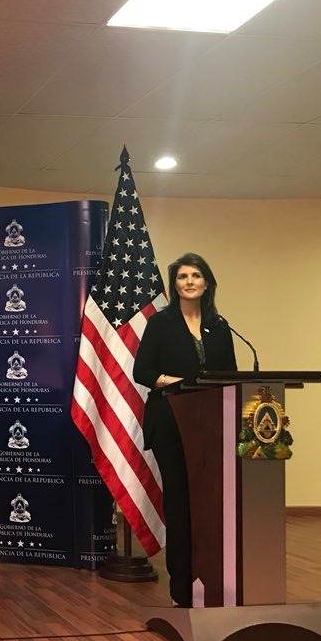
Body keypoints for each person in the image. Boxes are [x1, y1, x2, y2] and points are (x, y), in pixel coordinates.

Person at [134, 252, 237, 608]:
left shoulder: (219, 326)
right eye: (182, 276)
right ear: (175, 284)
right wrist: (173, 381)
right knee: (180, 502)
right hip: (171, 420)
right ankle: (182, 587)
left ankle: (213, 582)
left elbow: (230, 376)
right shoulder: (161, 323)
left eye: (195, 275)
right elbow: (142, 371)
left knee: (209, 504)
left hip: (210, 423)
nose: (189, 281)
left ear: (207, 283)